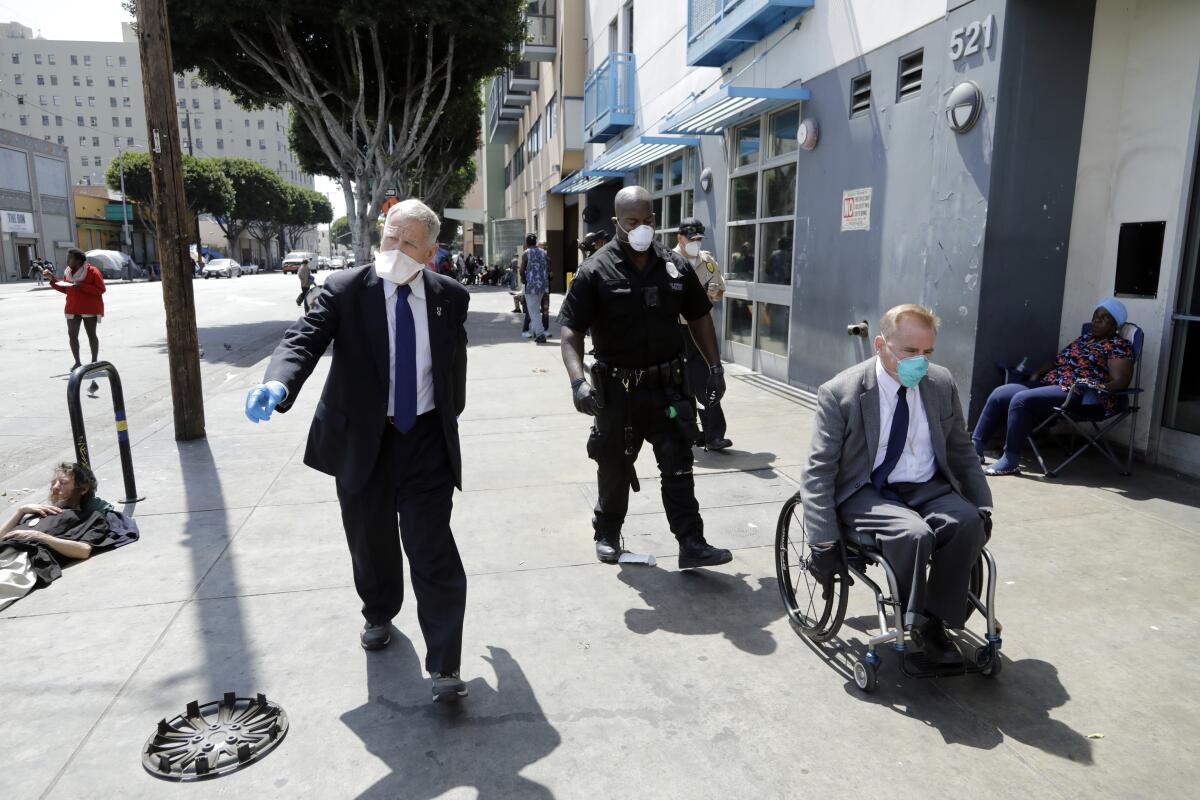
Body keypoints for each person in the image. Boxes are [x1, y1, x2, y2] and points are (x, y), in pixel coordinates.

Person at [244, 198, 471, 703]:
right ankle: (378, 610)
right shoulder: (345, 290)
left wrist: (452, 409)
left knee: (432, 547)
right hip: (365, 440)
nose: (395, 247)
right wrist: (278, 384)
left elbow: (451, 360)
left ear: (431, 251)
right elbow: (303, 339)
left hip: (427, 441)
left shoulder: (450, 296)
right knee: (371, 543)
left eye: (409, 241)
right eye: (390, 236)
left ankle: (446, 664)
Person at [802, 303, 992, 664]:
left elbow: (960, 448)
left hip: (926, 484)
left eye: (927, 352)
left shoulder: (939, 382)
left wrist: (982, 503)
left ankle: (934, 620)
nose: (919, 361)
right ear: (880, 344)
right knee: (913, 534)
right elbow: (819, 470)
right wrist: (823, 539)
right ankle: (915, 617)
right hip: (867, 489)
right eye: (909, 351)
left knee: (967, 522)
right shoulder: (840, 392)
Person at [558, 186, 733, 570]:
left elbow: (700, 315)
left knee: (678, 463)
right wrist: (577, 381)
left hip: (668, 388)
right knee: (614, 466)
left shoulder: (675, 266)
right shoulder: (595, 271)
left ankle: (691, 542)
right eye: (632, 222)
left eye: (648, 220)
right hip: (618, 392)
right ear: (618, 222)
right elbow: (571, 332)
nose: (642, 228)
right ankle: (607, 533)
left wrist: (715, 366)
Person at [972, 299, 1135, 476]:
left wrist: (1096, 387)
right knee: (1000, 393)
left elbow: (1121, 380)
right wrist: (1037, 373)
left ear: (1115, 324)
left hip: (1078, 393)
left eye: (1104, 318)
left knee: (1021, 400)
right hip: (1052, 383)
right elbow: (1058, 360)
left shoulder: (1118, 346)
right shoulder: (1084, 339)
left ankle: (1010, 460)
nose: (1097, 321)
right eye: (1096, 316)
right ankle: (975, 448)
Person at [0, 462, 138, 612]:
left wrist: (38, 536)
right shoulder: (41, 511)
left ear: (83, 489)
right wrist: (20, 511)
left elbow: (84, 550)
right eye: (53, 483)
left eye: (63, 483)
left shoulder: (90, 518)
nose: (55, 487)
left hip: (26, 559)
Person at [673, 218, 731, 451]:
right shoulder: (668, 261)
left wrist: (715, 293)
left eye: (698, 239)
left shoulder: (706, 262)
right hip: (676, 329)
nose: (695, 243)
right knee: (679, 382)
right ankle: (685, 432)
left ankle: (714, 434)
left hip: (701, 329)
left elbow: (718, 292)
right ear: (680, 238)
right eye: (691, 239)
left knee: (708, 378)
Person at [46, 249, 104, 390]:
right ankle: (77, 362)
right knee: (72, 335)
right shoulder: (68, 273)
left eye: (71, 258)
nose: (68, 261)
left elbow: (100, 289)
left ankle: (94, 361)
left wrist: (81, 286)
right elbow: (66, 289)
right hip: (72, 308)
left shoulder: (92, 271)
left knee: (91, 335)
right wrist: (52, 280)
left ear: (79, 260)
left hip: (89, 308)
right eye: (68, 258)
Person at [520, 233, 550, 344]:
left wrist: (523, 279)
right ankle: (536, 331)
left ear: (527, 243)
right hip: (543, 285)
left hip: (531, 286)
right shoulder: (543, 253)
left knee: (533, 311)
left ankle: (540, 334)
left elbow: (521, 270)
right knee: (536, 309)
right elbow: (547, 266)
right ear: (535, 242)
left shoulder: (526, 253)